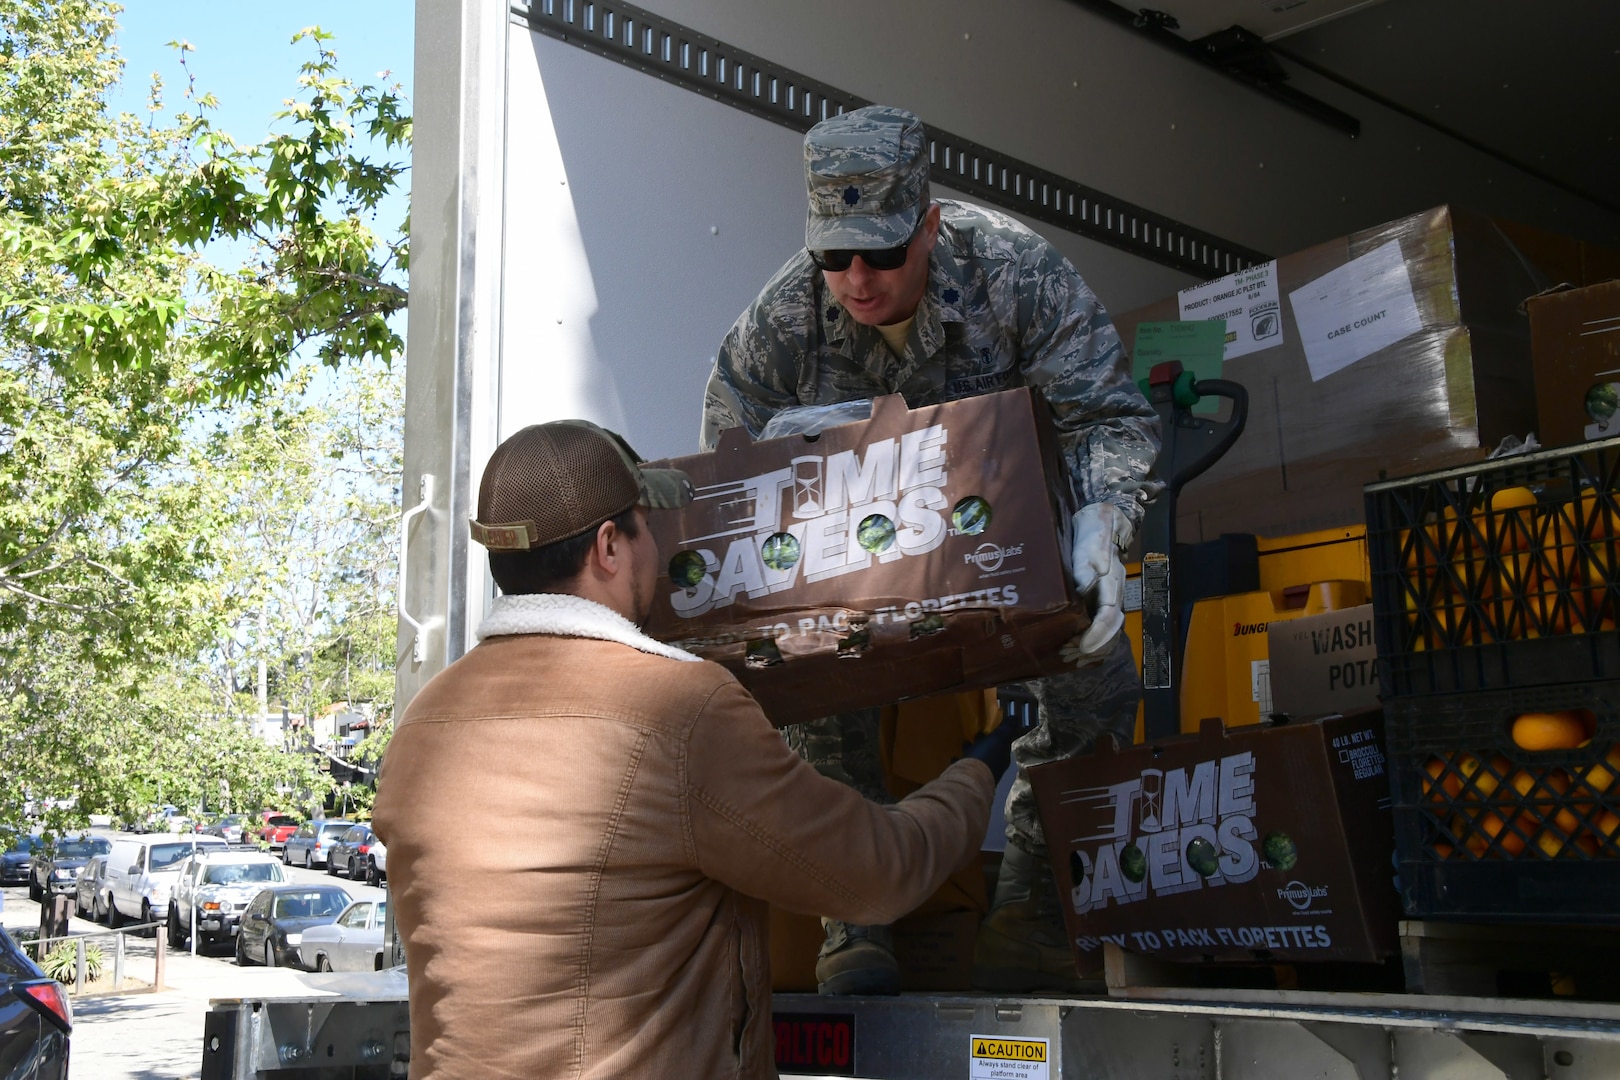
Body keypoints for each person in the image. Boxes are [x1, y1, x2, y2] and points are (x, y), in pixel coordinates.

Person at [372, 420, 994, 1080]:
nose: (662, 545)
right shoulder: (678, 710)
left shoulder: (422, 725)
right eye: (647, 524)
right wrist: (978, 773)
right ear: (610, 546)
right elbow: (876, 875)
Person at [703, 105, 1162, 993]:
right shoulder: (781, 321)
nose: (857, 279)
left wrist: (1105, 517)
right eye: (835, 256)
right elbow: (729, 472)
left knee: (1099, 682)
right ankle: (858, 917)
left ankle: (1033, 918)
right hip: (857, 562)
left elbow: (1108, 413)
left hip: (1008, 551)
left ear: (930, 225)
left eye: (882, 252)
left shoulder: (1015, 272)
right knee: (794, 685)